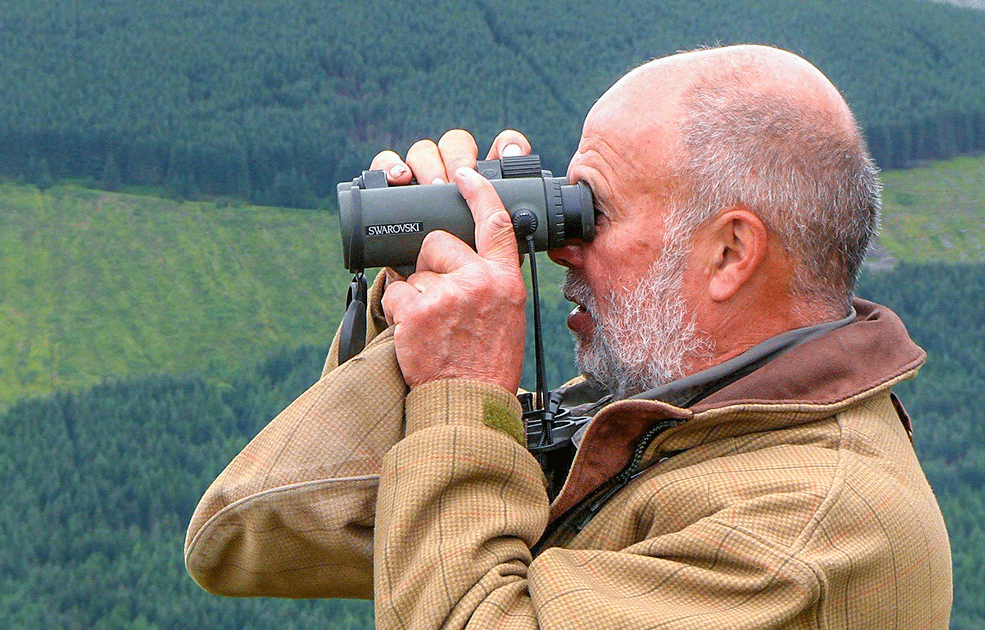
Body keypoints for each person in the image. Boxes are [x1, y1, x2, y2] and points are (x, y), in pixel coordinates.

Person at [187, 44, 952, 629]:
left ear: (729, 254)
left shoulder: (815, 528)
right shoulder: (660, 416)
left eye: (596, 210)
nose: (558, 246)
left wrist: (459, 397)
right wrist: (419, 312)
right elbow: (259, 525)